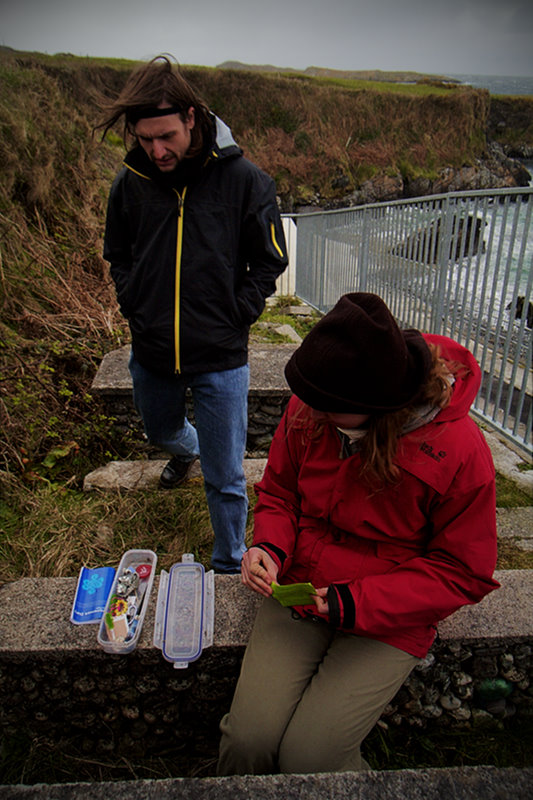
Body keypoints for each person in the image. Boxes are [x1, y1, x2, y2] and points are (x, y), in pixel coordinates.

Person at [217, 291, 499, 774]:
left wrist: (355, 602)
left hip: (391, 617)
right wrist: (268, 546)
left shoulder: (460, 450)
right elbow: (280, 493)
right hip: (299, 590)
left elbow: (462, 571)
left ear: (377, 408)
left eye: (327, 408)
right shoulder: (316, 401)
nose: (310, 412)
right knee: (247, 743)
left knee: (311, 758)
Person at [98, 56, 288, 574]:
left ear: (191, 117)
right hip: (153, 349)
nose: (157, 150)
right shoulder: (130, 183)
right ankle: (188, 450)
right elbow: (118, 254)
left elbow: (270, 259)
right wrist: (135, 305)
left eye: (166, 137)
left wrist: (239, 313)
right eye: (145, 139)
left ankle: (227, 564)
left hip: (221, 355)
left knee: (226, 476)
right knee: (160, 432)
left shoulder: (245, 180)